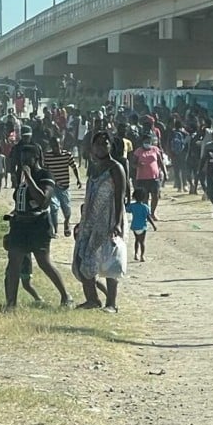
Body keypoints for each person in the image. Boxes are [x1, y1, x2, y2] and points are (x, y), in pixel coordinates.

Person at [3, 144, 73, 309]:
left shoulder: (45, 175)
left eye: (28, 158)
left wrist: (29, 178)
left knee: (44, 262)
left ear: (36, 158)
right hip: (20, 225)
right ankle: (11, 304)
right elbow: (21, 200)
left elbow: (43, 201)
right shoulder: (21, 176)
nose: (24, 161)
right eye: (22, 158)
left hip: (38, 225)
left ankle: (66, 296)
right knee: (14, 264)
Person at [76, 131, 126, 312]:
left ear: (111, 146)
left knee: (111, 260)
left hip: (109, 219)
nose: (101, 147)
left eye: (105, 143)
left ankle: (111, 303)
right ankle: (92, 299)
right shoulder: (94, 167)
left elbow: (120, 197)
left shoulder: (116, 168)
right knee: (84, 257)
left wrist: (117, 223)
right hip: (90, 220)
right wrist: (82, 220)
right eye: (97, 143)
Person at [43, 137, 82, 237]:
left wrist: (78, 179)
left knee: (67, 210)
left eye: (57, 145)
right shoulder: (48, 157)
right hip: (53, 187)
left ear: (60, 145)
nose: (55, 148)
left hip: (64, 187)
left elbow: (74, 167)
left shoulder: (67, 155)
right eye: (53, 146)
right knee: (53, 208)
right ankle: (55, 230)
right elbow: (45, 171)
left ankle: (66, 222)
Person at [132, 131, 166, 221]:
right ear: (142, 142)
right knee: (144, 197)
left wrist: (165, 173)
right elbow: (133, 164)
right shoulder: (138, 151)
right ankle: (146, 214)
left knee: (155, 195)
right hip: (142, 178)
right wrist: (138, 165)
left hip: (154, 177)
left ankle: (153, 213)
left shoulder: (155, 149)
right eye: (146, 141)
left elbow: (160, 162)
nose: (147, 143)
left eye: (149, 141)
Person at [126, 187, 156, 262]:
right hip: (143, 226)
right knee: (142, 242)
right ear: (144, 197)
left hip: (134, 226)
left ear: (134, 197)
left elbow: (127, 209)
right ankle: (142, 256)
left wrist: (126, 202)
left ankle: (136, 254)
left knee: (136, 240)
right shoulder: (145, 207)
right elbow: (148, 217)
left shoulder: (132, 206)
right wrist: (153, 225)